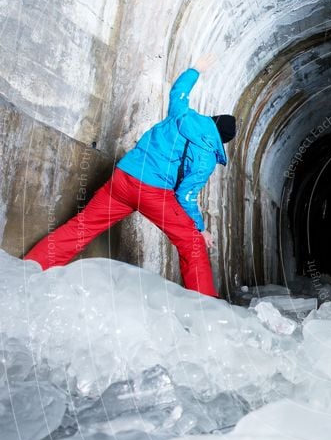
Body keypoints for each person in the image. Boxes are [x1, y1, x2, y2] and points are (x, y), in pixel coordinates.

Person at [24, 57, 236, 297]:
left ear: (212, 120)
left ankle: (31, 267)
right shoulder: (207, 158)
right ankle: (204, 306)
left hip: (123, 179)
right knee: (192, 244)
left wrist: (195, 70)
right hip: (154, 193)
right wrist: (200, 228)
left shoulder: (182, 115)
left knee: (82, 226)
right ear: (221, 141)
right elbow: (185, 195)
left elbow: (180, 91)